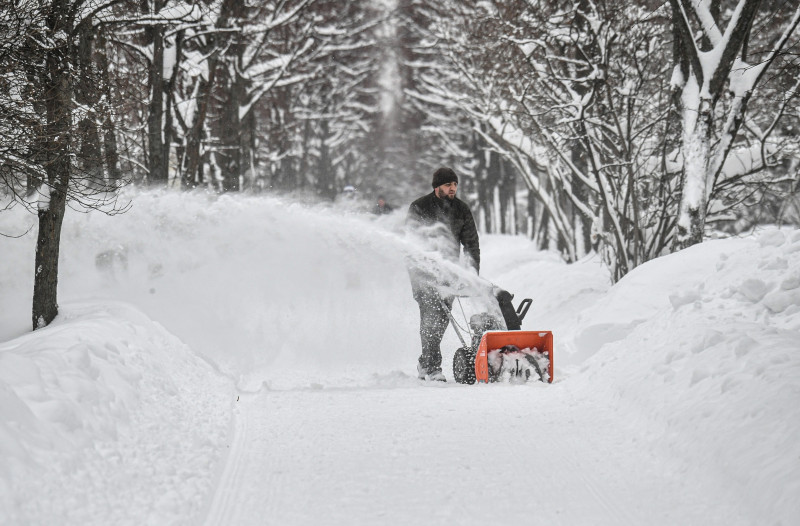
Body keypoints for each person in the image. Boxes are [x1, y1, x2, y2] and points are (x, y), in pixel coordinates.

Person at [406, 167, 480, 382]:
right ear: (437, 186)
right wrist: (426, 264)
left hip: (449, 272)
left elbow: (471, 244)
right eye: (448, 185)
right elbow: (412, 241)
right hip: (422, 272)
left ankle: (424, 361)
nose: (452, 189)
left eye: (455, 185)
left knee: (443, 319)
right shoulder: (419, 207)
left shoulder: (461, 209)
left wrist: (472, 272)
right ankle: (433, 368)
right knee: (430, 317)